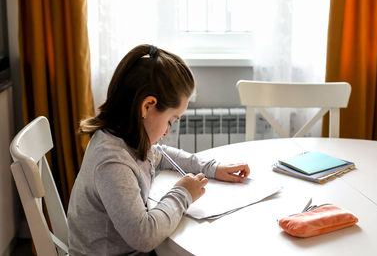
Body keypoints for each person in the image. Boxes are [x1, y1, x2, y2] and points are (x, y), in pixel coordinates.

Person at [67, 44, 250, 256]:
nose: (166, 132)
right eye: (171, 121)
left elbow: (161, 155)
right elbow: (143, 236)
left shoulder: (128, 137)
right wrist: (183, 193)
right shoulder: (112, 160)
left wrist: (212, 168)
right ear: (147, 106)